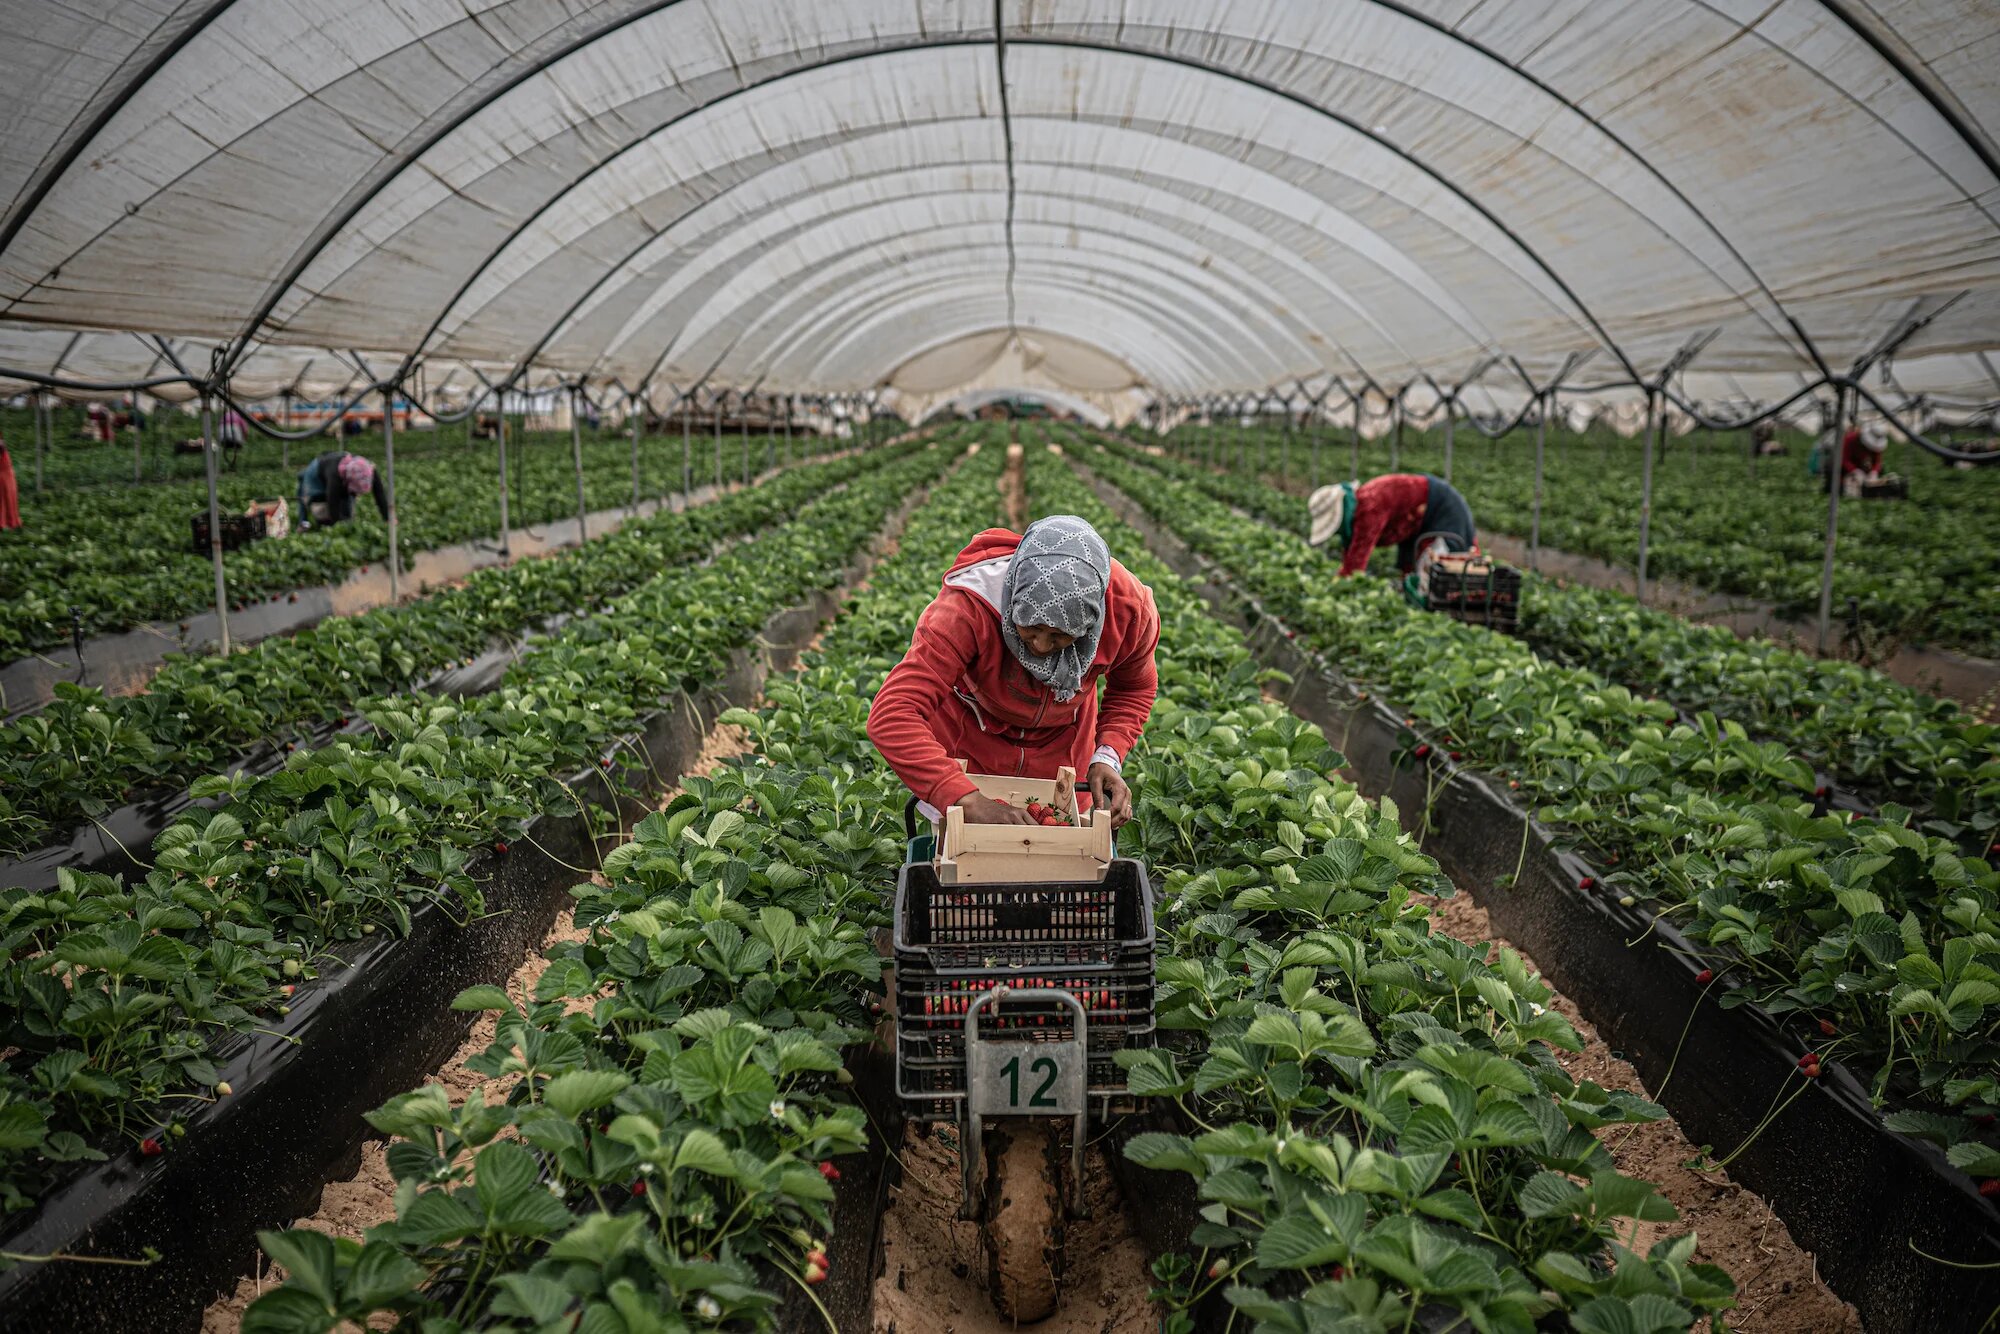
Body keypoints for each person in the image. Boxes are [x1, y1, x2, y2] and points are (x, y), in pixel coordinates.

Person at [868, 515, 1160, 829]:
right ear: (1013, 599)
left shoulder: (1128, 611)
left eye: (1062, 636)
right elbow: (893, 713)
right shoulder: (968, 609)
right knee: (964, 859)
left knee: (1061, 859)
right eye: (1030, 628)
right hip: (971, 742)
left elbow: (1133, 688)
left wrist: (1106, 756)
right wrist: (963, 798)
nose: (1042, 645)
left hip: (1063, 752)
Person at [1305, 473, 1477, 579]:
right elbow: (1350, 551)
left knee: (1444, 567)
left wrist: (1345, 581)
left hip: (1442, 507)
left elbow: (1358, 560)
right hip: (1415, 522)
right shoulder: (1356, 509)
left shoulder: (1369, 506)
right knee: (1409, 572)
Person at [297, 449, 389, 527]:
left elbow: (379, 493)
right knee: (323, 514)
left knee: (347, 515)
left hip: (341, 477)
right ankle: (311, 523)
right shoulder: (334, 477)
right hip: (317, 476)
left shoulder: (368, 471)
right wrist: (336, 527)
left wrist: (388, 518)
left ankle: (344, 520)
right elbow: (332, 502)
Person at [0, 432, 18, 530]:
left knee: (7, 499)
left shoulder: (1, 445)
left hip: (5, 476)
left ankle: (8, 522)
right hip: (5, 475)